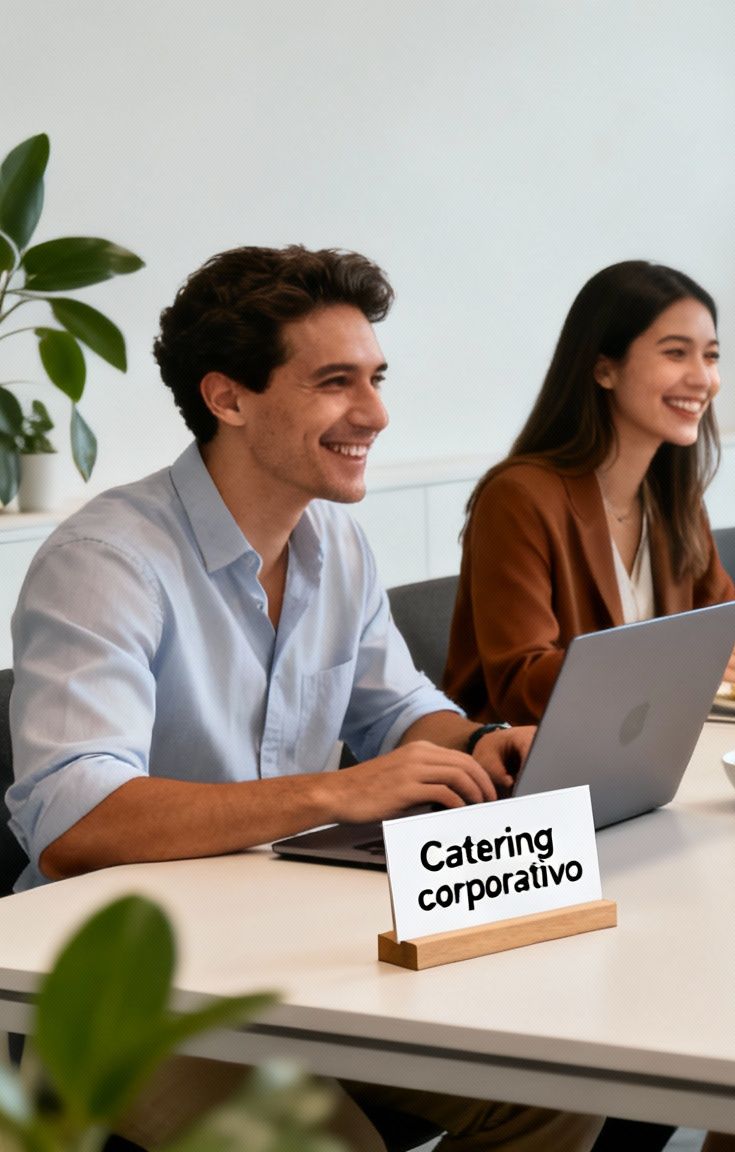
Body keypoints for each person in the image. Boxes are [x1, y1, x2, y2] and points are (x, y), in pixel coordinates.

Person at [3, 247, 599, 1149]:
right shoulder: (106, 563)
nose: (375, 413)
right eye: (334, 383)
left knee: (554, 1087)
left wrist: (478, 741)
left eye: (376, 378)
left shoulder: (337, 546)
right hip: (112, 984)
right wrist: (334, 793)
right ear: (228, 398)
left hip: (277, 945)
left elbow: (397, 708)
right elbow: (73, 821)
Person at [446, 261, 735, 729]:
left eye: (710, 356)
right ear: (604, 369)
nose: (704, 379)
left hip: (648, 755)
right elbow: (521, 684)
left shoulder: (672, 497)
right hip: (527, 775)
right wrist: (680, 667)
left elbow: (720, 628)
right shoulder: (518, 497)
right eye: (676, 353)